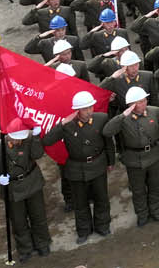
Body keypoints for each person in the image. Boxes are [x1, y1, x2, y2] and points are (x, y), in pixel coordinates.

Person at [42, 91, 114, 243]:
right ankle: (84, 230)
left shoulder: (101, 119)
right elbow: (47, 141)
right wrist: (61, 125)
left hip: (98, 164)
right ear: (77, 110)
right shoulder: (67, 125)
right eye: (85, 109)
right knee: (80, 203)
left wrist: (110, 162)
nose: (89, 111)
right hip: (76, 169)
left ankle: (102, 226)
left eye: (90, 107)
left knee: (101, 198)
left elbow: (108, 143)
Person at [101, 85, 159, 226]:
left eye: (144, 100)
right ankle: (142, 214)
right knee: (138, 190)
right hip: (134, 159)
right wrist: (123, 115)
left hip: (154, 155)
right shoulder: (123, 119)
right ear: (131, 105)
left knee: (155, 186)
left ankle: (156, 211)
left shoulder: (155, 112)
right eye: (138, 102)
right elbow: (107, 132)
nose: (143, 104)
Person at [0, 121, 50, 260]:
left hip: (32, 182)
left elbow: (37, 155)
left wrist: (37, 138)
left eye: (21, 138)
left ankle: (42, 243)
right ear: (8, 135)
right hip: (13, 188)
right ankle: (25, 248)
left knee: (38, 216)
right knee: (18, 221)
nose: (19, 141)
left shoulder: (29, 139)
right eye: (16, 138)